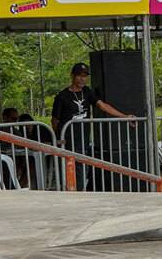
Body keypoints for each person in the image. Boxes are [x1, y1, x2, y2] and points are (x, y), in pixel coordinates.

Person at [50, 62, 134, 190]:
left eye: (85, 76)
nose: (82, 79)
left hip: (83, 140)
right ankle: (71, 194)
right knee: (70, 169)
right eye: (79, 75)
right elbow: (55, 120)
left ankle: (79, 192)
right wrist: (59, 137)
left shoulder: (87, 92)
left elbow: (103, 105)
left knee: (83, 169)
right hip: (68, 140)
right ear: (73, 76)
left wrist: (124, 116)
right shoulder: (62, 97)